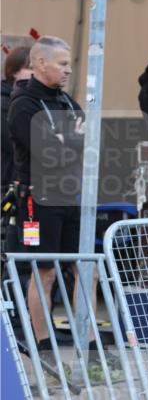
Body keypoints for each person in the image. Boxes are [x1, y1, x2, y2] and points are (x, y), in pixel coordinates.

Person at [7, 36, 86, 351]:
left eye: (69, 64)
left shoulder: (67, 102)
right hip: (37, 199)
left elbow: (87, 145)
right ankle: (41, 341)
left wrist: (65, 141)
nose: (68, 70)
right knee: (44, 272)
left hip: (70, 196)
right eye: (62, 64)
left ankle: (88, 338)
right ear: (40, 64)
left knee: (86, 270)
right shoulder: (23, 104)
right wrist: (68, 142)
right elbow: (47, 153)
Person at [1, 44, 31, 194]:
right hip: (8, 186)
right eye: (30, 67)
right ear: (14, 72)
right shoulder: (4, 103)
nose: (35, 73)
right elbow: (14, 143)